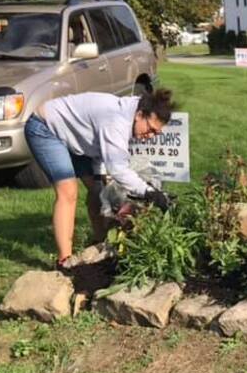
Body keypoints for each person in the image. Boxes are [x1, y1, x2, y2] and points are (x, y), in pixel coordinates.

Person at [24, 89, 174, 268]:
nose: (150, 136)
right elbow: (118, 168)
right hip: (46, 128)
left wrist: (103, 181)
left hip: (77, 137)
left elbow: (105, 157)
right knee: (68, 191)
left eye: (156, 134)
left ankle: (99, 243)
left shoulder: (132, 113)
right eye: (150, 129)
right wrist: (149, 192)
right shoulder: (116, 120)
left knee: (99, 190)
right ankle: (65, 263)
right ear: (140, 115)